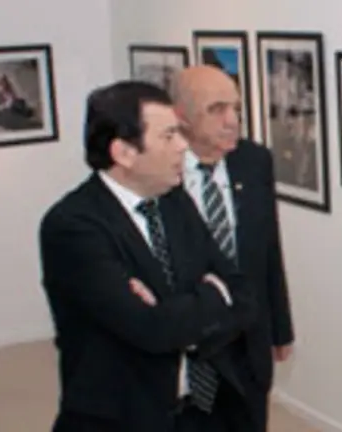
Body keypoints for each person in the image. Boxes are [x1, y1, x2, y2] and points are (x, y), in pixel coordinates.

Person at [38, 80, 257, 432]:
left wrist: (180, 311)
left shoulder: (173, 201)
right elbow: (151, 330)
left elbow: (242, 295)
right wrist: (212, 296)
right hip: (125, 419)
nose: (183, 146)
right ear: (124, 152)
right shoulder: (72, 227)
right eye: (168, 136)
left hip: (202, 410)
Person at [170, 65, 295, 432]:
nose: (232, 120)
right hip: (190, 344)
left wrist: (280, 328)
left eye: (236, 108)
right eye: (217, 109)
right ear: (182, 117)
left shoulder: (254, 162)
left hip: (248, 335)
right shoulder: (162, 171)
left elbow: (269, 248)